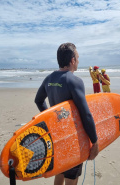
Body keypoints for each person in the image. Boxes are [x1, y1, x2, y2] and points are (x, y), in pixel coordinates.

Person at [35, 43, 99, 185]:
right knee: (71, 178)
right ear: (72, 60)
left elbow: (38, 100)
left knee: (60, 173)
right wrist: (94, 141)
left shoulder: (49, 79)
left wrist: (51, 119)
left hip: (56, 136)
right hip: (72, 139)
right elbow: (86, 114)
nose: (78, 60)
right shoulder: (74, 81)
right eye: (77, 57)